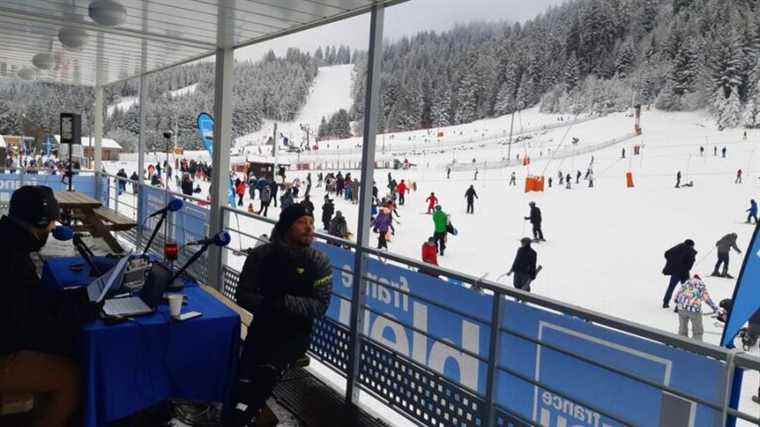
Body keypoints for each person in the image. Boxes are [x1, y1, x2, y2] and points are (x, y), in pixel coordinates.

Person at [0, 186, 100, 427]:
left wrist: (75, 299)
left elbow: (30, 302)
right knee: (72, 377)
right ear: (39, 222)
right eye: (51, 223)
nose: (53, 229)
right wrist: (82, 310)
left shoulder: (9, 242)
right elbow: (30, 321)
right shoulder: (12, 258)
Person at [229, 204, 333, 426]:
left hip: (294, 335)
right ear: (287, 227)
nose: (309, 228)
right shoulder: (261, 255)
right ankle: (245, 416)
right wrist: (270, 306)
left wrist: (282, 303)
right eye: (302, 222)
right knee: (241, 383)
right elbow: (243, 295)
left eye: (311, 223)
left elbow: (320, 306)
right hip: (263, 329)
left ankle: (245, 416)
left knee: (262, 380)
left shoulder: (318, 262)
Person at [674, 275, 718, 342]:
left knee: (682, 328)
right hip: (694, 309)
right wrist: (714, 307)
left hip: (681, 308)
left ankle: (681, 343)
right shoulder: (700, 285)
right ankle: (696, 345)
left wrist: (678, 302)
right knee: (697, 330)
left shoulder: (686, 283)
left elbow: (677, 295)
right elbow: (706, 298)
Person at [662, 239, 697, 308]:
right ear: (691, 245)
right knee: (685, 290)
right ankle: (679, 306)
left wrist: (672, 262)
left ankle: (665, 303)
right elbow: (690, 264)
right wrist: (686, 267)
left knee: (671, 287)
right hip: (684, 273)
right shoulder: (691, 251)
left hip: (675, 272)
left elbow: (667, 253)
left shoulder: (678, 247)